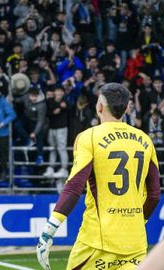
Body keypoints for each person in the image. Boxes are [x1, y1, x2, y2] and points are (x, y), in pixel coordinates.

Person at [36, 83, 161, 270]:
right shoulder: (145, 139)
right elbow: (154, 194)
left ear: (99, 107)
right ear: (127, 108)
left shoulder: (89, 137)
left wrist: (49, 230)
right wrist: (137, 221)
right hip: (135, 242)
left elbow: (74, 187)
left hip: (97, 242)